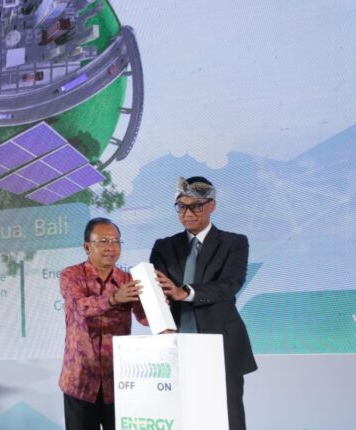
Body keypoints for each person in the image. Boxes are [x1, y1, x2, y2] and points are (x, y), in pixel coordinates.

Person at [150, 176, 257, 430]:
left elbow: (230, 285)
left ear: (212, 206)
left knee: (228, 418)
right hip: (176, 346)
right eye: (181, 207)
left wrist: (184, 292)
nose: (187, 213)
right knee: (183, 416)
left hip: (222, 344)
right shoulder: (164, 246)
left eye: (195, 206)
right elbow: (156, 292)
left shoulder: (234, 243)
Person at [59, 217, 148, 430]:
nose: (110, 247)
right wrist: (113, 298)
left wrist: (159, 300)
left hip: (118, 381)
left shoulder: (128, 280)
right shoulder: (71, 275)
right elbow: (80, 308)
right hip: (80, 380)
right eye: (103, 241)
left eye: (116, 241)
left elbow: (144, 318)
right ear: (87, 247)